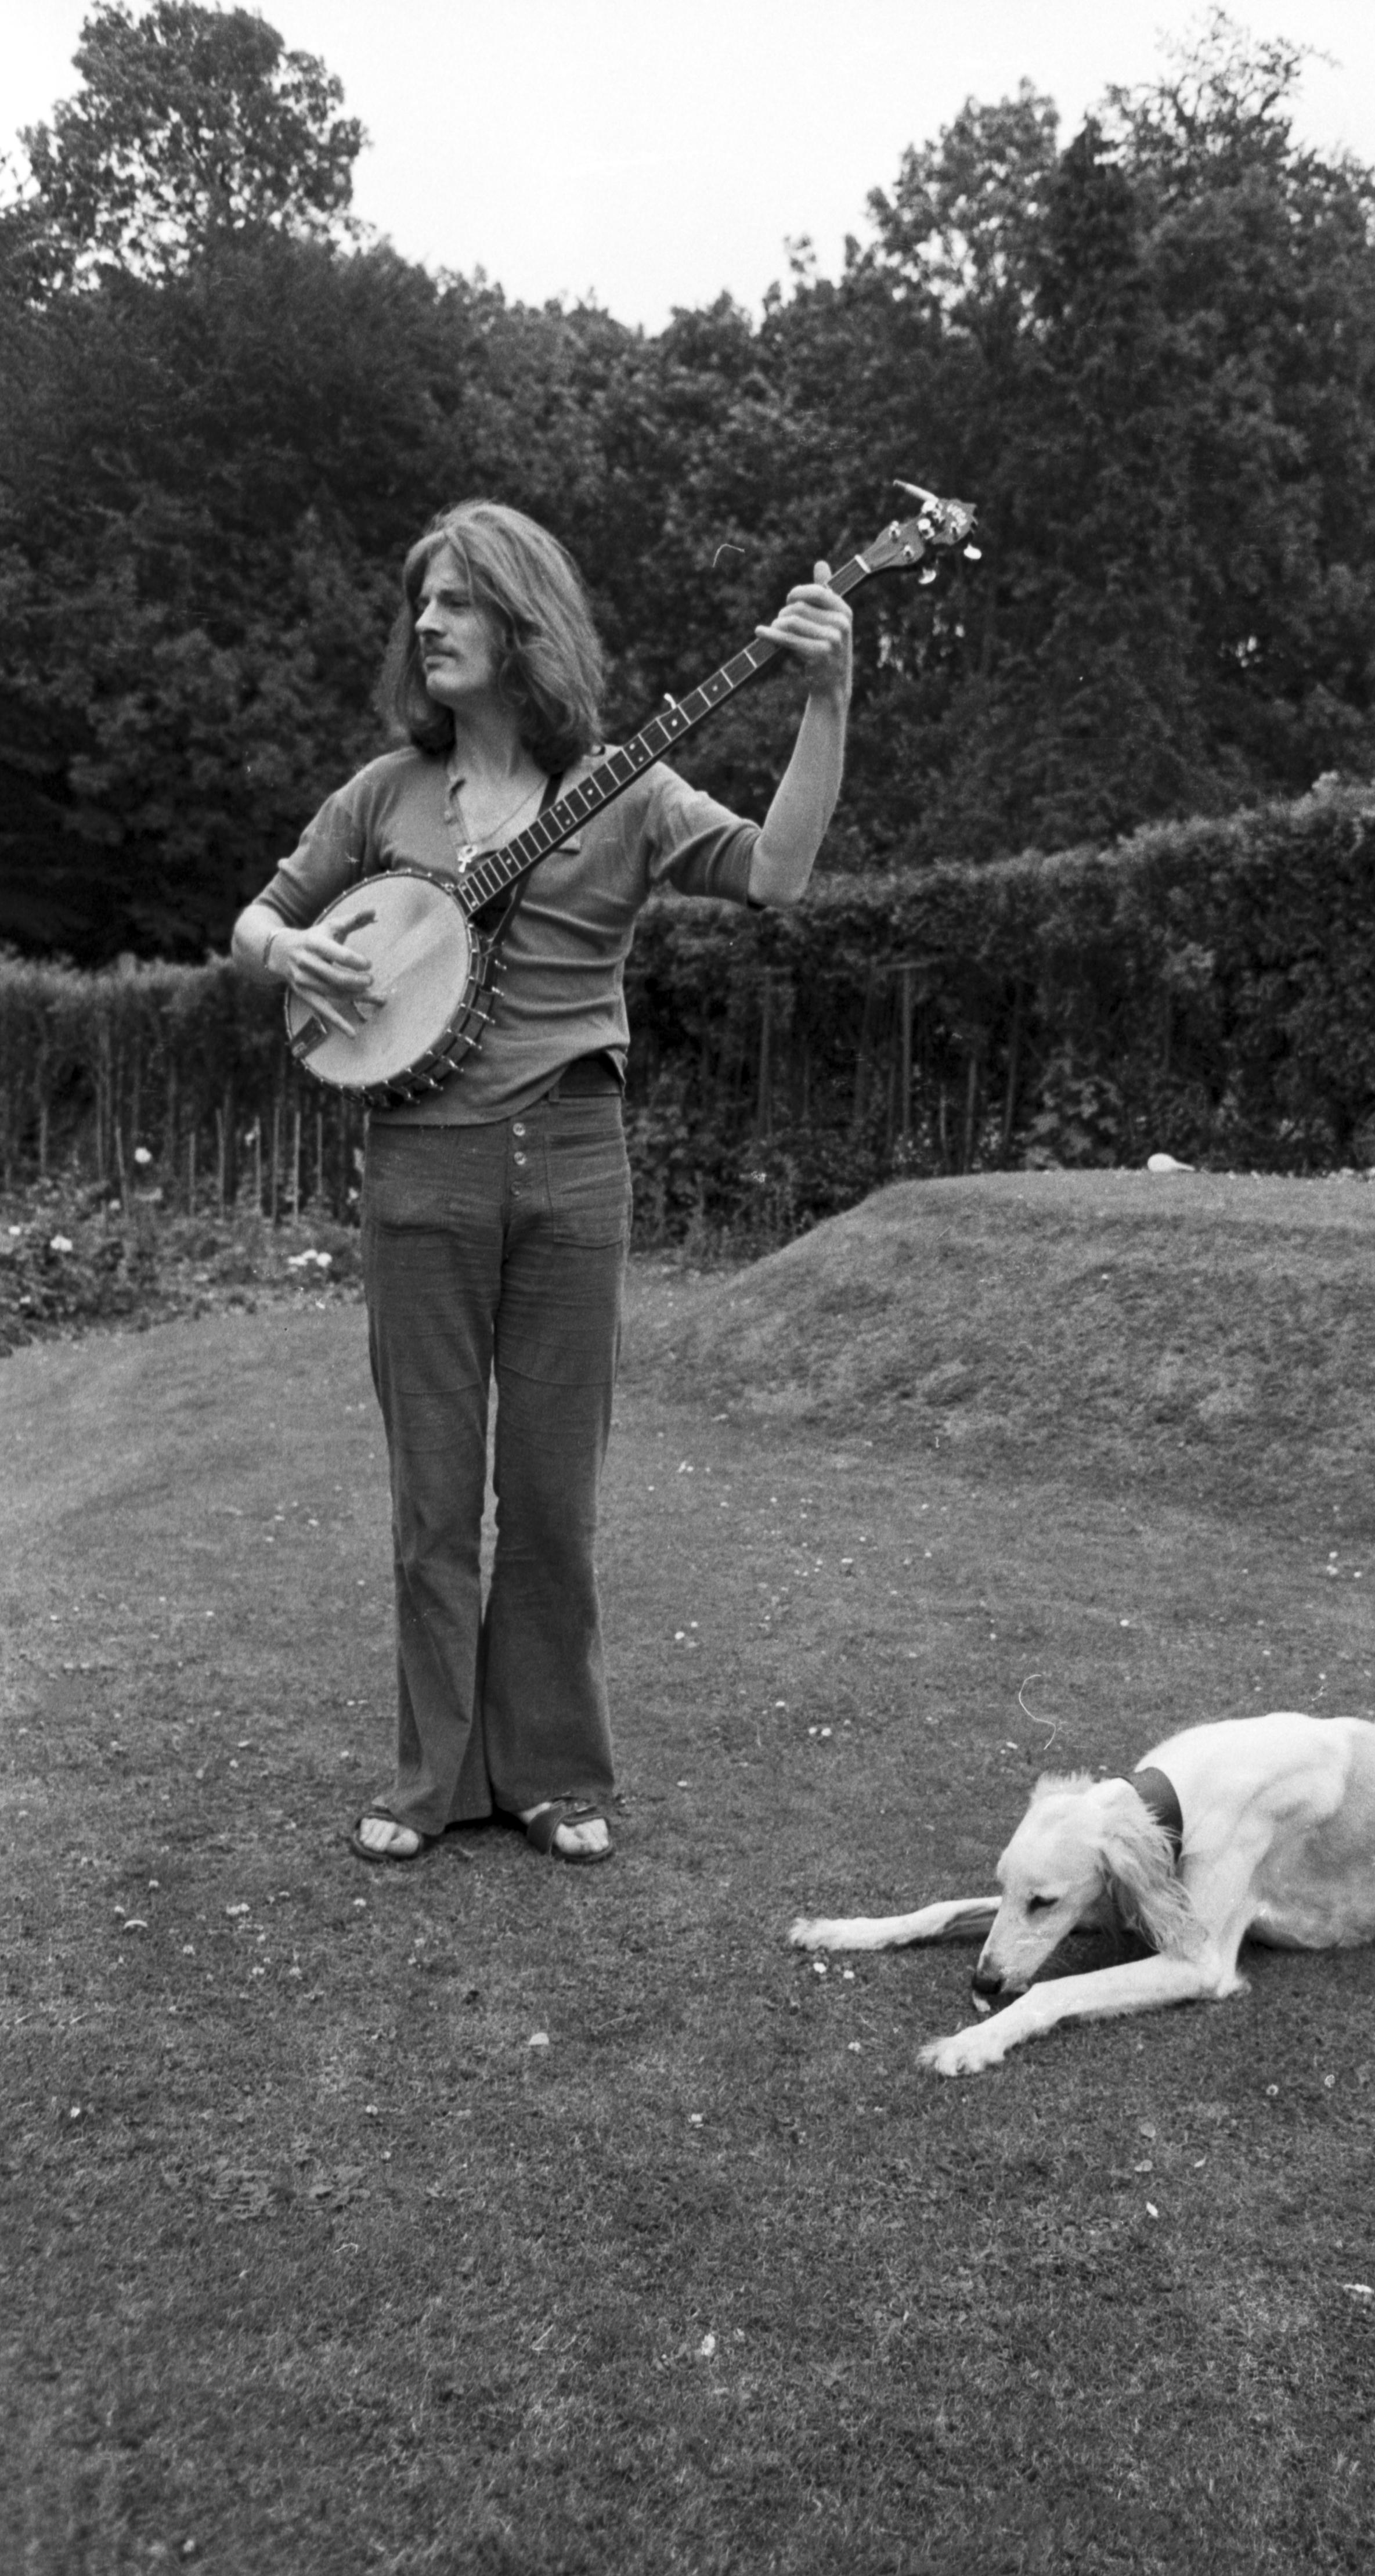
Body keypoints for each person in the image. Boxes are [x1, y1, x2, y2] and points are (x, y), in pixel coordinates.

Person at [233, 499, 852, 1864]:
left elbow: (781, 873)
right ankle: (430, 1783)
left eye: (455, 600)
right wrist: (293, 960)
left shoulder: (626, 786)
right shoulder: (383, 793)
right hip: (421, 1169)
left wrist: (826, 701)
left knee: (555, 1499)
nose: (427, 623)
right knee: (432, 1502)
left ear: (522, 621)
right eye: (421, 603)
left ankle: (556, 1776)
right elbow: (258, 916)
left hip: (576, 1166)